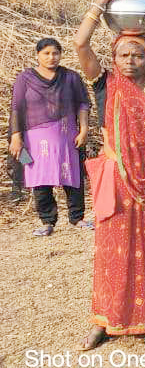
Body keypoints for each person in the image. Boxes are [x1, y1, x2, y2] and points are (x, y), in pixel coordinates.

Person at [73, 0, 145, 351]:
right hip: (117, 183)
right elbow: (80, 45)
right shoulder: (105, 86)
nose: (130, 62)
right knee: (111, 252)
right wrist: (100, 3)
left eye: (137, 55)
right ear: (115, 59)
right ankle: (104, 320)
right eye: (123, 55)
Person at [11, 38, 92, 236]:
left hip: (67, 135)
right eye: (46, 53)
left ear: (61, 54)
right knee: (39, 178)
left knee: (72, 176)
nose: (51, 57)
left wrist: (84, 129)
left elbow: (83, 104)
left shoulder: (71, 77)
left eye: (55, 53)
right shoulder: (25, 78)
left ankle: (77, 218)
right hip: (33, 139)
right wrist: (15, 136)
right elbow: (17, 108)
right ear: (37, 55)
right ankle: (47, 222)